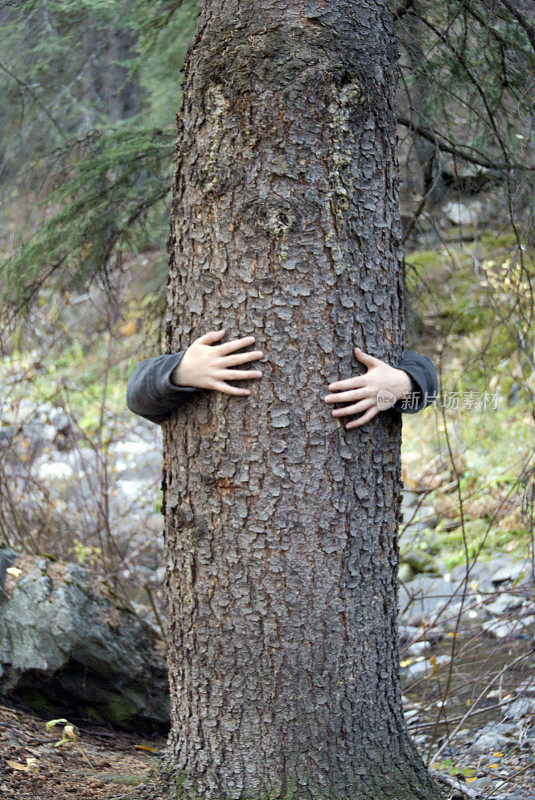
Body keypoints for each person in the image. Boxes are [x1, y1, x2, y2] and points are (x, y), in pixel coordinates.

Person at [126, 328, 439, 427]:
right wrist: (180, 372)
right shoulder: (198, 350)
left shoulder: (374, 344)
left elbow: (427, 378)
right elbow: (137, 397)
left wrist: (403, 383)